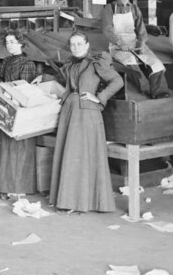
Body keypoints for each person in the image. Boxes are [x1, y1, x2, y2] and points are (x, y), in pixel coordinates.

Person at [47, 31, 123, 213]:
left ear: (87, 45)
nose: (76, 48)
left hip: (87, 112)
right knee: (70, 155)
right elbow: (60, 82)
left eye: (80, 44)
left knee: (82, 155)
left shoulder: (96, 62)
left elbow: (117, 81)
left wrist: (99, 97)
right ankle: (68, 200)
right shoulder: (70, 64)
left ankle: (82, 202)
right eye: (73, 44)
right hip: (69, 112)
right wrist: (42, 79)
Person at [0, 31, 41, 199]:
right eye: (7, 42)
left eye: (12, 42)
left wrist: (6, 87)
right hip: (3, 104)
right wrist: (0, 84)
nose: (9, 45)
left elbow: (24, 90)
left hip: (17, 110)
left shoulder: (27, 63)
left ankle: (12, 186)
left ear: (21, 43)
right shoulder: (7, 60)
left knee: (13, 150)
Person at [100, 0, 170, 98]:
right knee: (130, 61)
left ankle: (160, 92)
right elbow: (107, 29)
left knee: (155, 63)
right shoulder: (109, 8)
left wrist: (142, 43)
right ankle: (146, 89)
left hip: (134, 43)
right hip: (118, 45)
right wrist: (120, 43)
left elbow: (141, 30)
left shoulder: (134, 8)